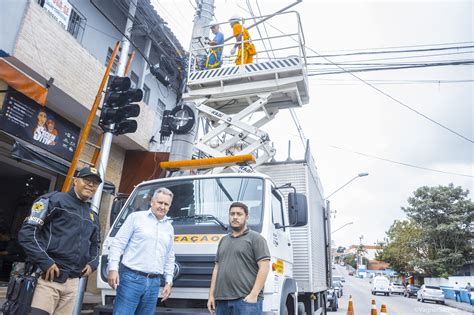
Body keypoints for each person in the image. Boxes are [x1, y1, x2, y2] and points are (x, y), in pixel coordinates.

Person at [18, 166, 102, 315]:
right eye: (87, 180)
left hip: (73, 283)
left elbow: (96, 245)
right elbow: (27, 233)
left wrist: (93, 263)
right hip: (47, 279)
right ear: (75, 181)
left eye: (95, 183)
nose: (91, 185)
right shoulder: (53, 200)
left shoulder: (93, 216)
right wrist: (45, 261)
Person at [108, 187, 175, 315]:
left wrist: (169, 281)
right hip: (131, 279)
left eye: (166, 204)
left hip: (154, 283)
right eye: (160, 202)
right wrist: (113, 269)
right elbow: (118, 244)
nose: (162, 206)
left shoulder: (169, 228)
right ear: (152, 202)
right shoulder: (135, 218)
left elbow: (169, 256)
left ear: (169, 207)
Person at [207, 202, 270, 315]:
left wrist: (254, 295)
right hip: (222, 301)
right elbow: (217, 268)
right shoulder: (223, 240)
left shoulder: (256, 238)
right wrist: (211, 295)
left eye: (239, 214)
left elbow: (264, 267)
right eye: (232, 214)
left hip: (245, 301)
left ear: (247, 217)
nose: (235, 217)